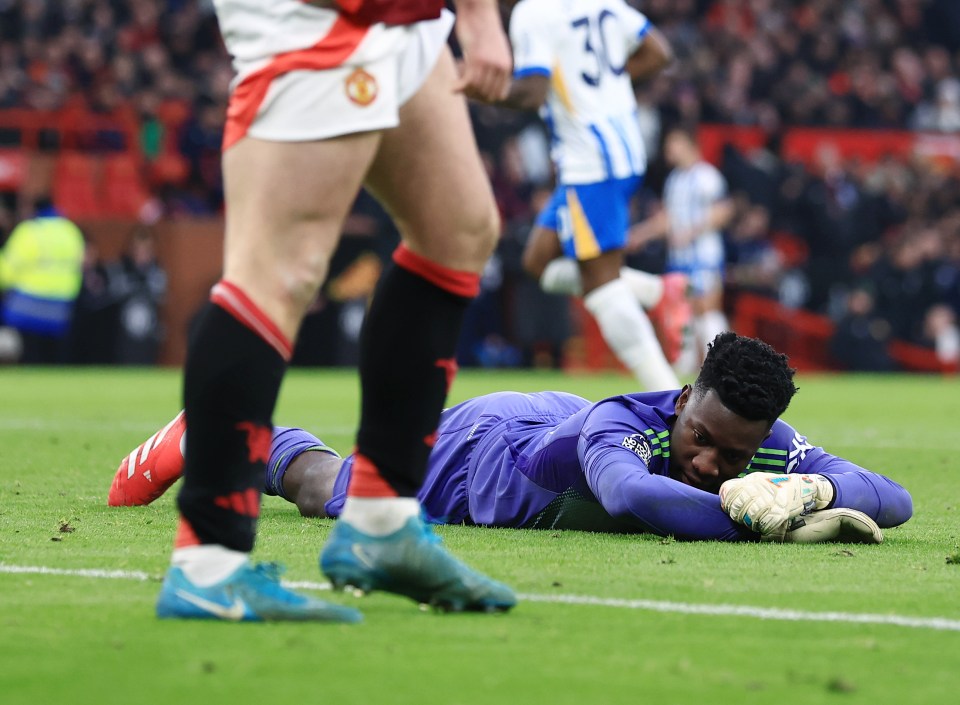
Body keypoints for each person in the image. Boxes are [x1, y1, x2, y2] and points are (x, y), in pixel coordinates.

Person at [163, 0, 516, 623]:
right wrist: (481, 18)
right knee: (280, 270)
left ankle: (383, 521)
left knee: (457, 230)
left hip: (404, 15)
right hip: (323, 14)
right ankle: (207, 565)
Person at [111, 333, 912, 544]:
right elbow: (635, 495)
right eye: (700, 438)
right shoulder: (620, 431)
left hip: (544, 419)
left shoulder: (761, 446)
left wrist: (811, 490)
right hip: (485, 452)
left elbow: (895, 497)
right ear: (681, 400)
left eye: (733, 459)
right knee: (327, 492)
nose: (709, 464)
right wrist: (753, 520)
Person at [494, 0, 689, 390]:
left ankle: (669, 395)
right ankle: (656, 291)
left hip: (590, 162)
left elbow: (532, 92)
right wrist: (606, 89)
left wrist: (480, 90)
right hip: (617, 149)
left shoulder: (533, 12)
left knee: (601, 287)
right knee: (537, 262)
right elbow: (657, 52)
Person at [629, 125, 735, 372]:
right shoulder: (674, 180)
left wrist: (693, 230)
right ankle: (684, 367)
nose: (669, 150)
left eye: (673, 143)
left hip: (704, 257)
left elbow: (723, 211)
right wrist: (640, 235)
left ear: (689, 145)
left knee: (707, 308)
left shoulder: (707, 176)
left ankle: (723, 364)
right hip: (679, 258)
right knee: (683, 312)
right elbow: (667, 219)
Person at [0, 196, 85, 364]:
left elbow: (6, 272)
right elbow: (79, 267)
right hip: (61, 305)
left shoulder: (29, 231)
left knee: (28, 354)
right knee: (52, 356)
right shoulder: (71, 231)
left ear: (34, 210)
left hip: (27, 305)